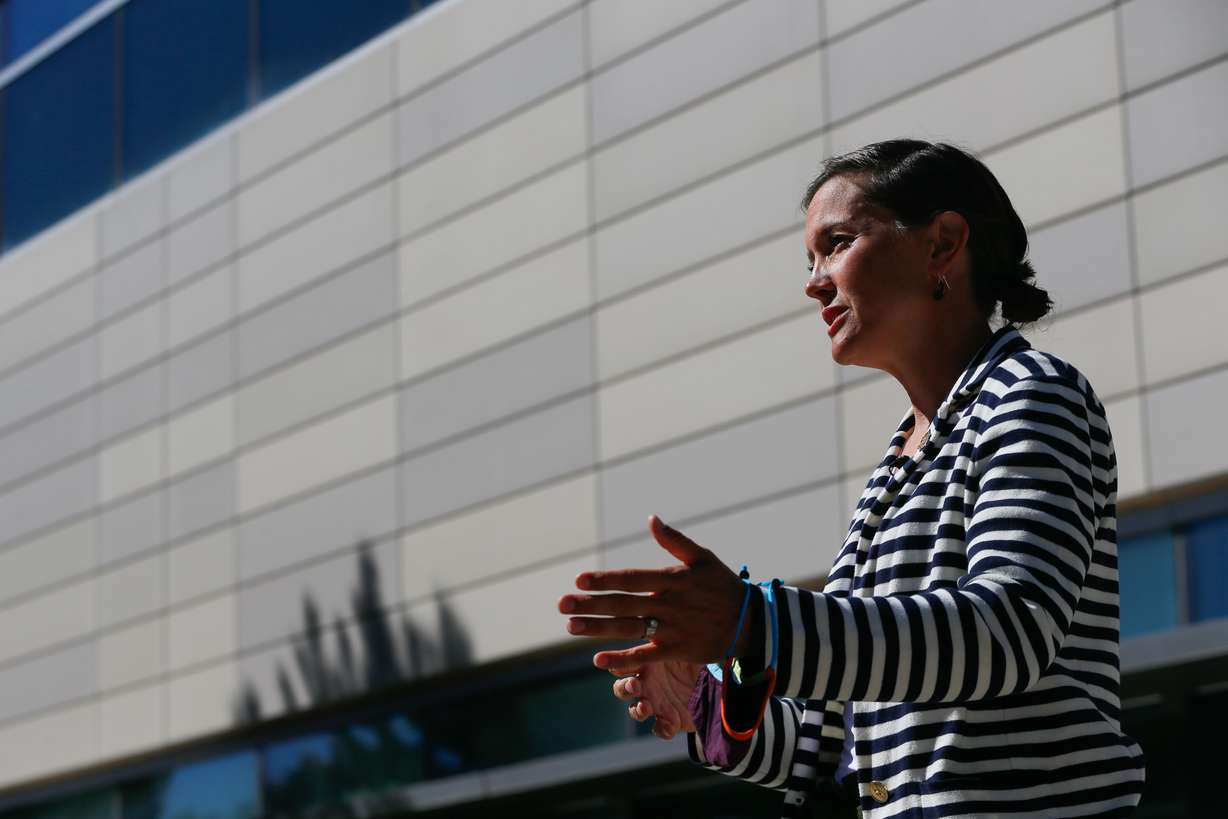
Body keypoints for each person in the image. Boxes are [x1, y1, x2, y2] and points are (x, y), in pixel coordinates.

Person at [557, 140, 1146, 817]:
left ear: (943, 244)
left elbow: (1007, 632)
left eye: (836, 244)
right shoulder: (893, 468)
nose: (813, 281)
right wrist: (708, 691)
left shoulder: (1031, 392)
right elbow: (828, 749)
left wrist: (753, 623)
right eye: (810, 259)